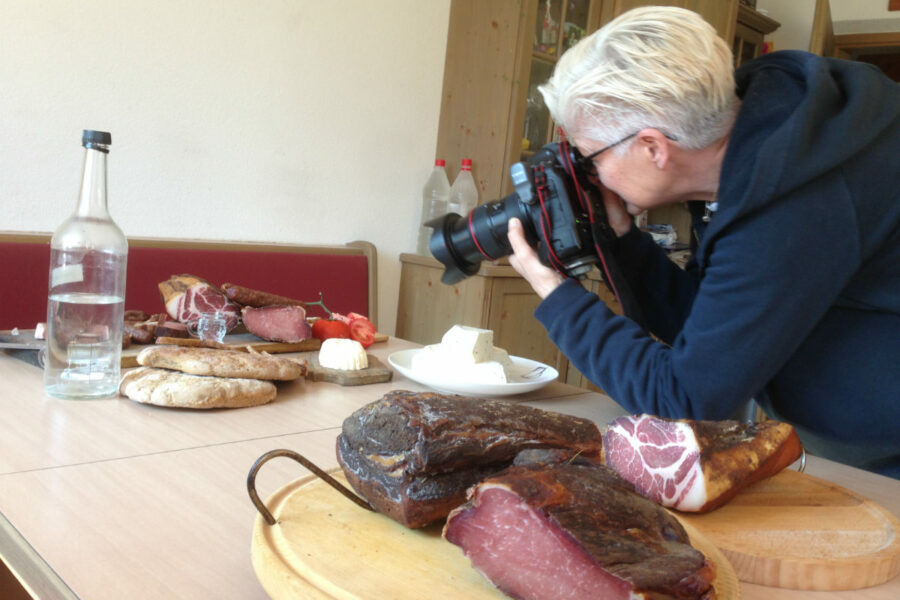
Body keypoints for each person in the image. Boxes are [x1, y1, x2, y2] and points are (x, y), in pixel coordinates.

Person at [506, 6, 900, 477]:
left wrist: (557, 296)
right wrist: (625, 242)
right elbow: (707, 326)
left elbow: (685, 398)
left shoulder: (790, 203)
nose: (592, 176)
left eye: (591, 158)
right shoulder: (763, 136)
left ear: (653, 147)